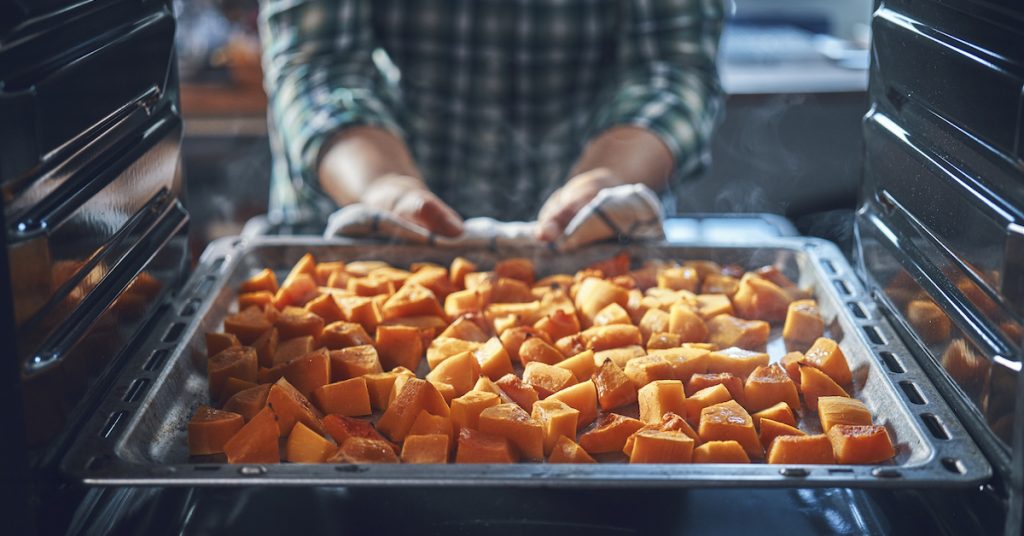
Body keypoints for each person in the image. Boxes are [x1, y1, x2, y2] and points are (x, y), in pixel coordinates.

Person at [259, 0, 724, 240]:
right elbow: (318, 65)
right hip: (359, 219)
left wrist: (605, 179)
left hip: (597, 240)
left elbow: (671, 67)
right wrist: (384, 188)